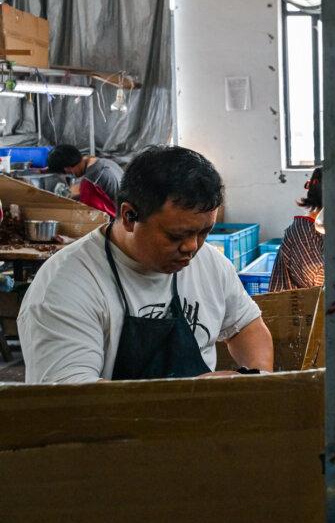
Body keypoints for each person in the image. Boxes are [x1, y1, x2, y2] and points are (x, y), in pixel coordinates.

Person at [18, 146, 273, 382]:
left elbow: (246, 326)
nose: (192, 247)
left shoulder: (211, 264)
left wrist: (256, 383)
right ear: (130, 216)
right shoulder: (65, 287)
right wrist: (189, 397)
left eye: (204, 232)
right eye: (176, 235)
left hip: (200, 426)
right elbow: (74, 404)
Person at [269, 167, 335, 292]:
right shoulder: (303, 232)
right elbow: (321, 282)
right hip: (295, 309)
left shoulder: (331, 228)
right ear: (334, 205)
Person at [47, 143, 124, 217]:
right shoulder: (105, 162)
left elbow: (87, 212)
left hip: (116, 221)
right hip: (125, 212)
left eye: (65, 173)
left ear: (67, 169)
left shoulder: (90, 181)